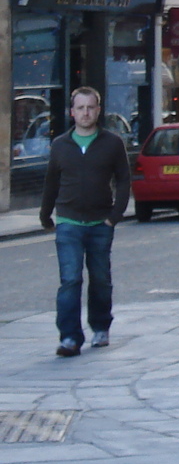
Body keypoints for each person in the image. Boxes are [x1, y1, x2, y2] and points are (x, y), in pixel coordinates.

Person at [39, 87, 130, 357]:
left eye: (90, 107)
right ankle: (69, 337)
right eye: (80, 108)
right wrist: (45, 214)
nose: (85, 113)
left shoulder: (112, 143)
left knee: (101, 279)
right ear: (72, 112)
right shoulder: (60, 145)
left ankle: (100, 327)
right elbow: (51, 182)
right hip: (68, 221)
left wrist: (115, 216)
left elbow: (124, 180)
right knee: (70, 279)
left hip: (100, 223)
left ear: (98, 110)